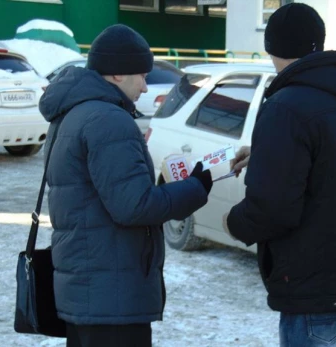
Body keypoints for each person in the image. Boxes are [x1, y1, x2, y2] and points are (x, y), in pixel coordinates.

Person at [38, 24, 213, 347]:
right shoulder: (108, 119)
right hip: (111, 296)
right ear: (118, 74)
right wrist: (195, 188)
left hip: (91, 289)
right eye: (142, 76)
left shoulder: (73, 113)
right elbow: (134, 206)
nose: (146, 87)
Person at [225, 3, 336, 346]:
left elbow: (273, 208)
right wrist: (265, 155)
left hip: (317, 288)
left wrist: (234, 223)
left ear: (271, 48)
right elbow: (335, 165)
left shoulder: (287, 106)